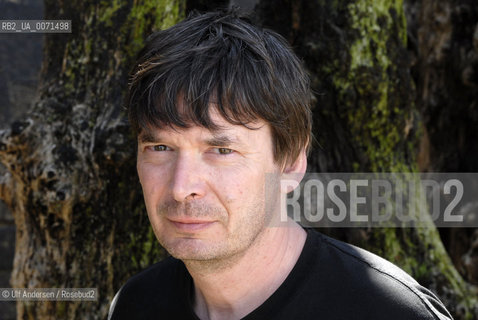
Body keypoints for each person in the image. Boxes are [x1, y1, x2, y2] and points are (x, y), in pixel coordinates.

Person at [108, 10, 452, 320]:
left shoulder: (389, 313)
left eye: (222, 150)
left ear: (289, 164)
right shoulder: (136, 305)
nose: (181, 186)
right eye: (160, 147)